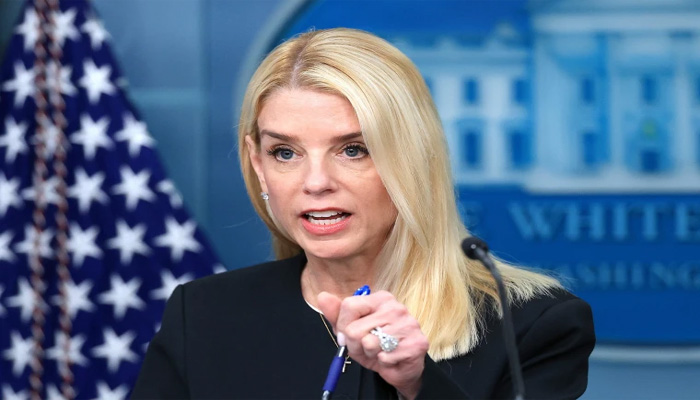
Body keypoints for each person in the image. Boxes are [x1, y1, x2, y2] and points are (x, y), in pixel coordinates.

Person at [131, 28, 595, 399]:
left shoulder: (532, 325)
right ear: (258, 164)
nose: (315, 182)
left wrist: (416, 383)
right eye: (285, 153)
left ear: (412, 160)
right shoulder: (204, 314)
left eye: (353, 149)